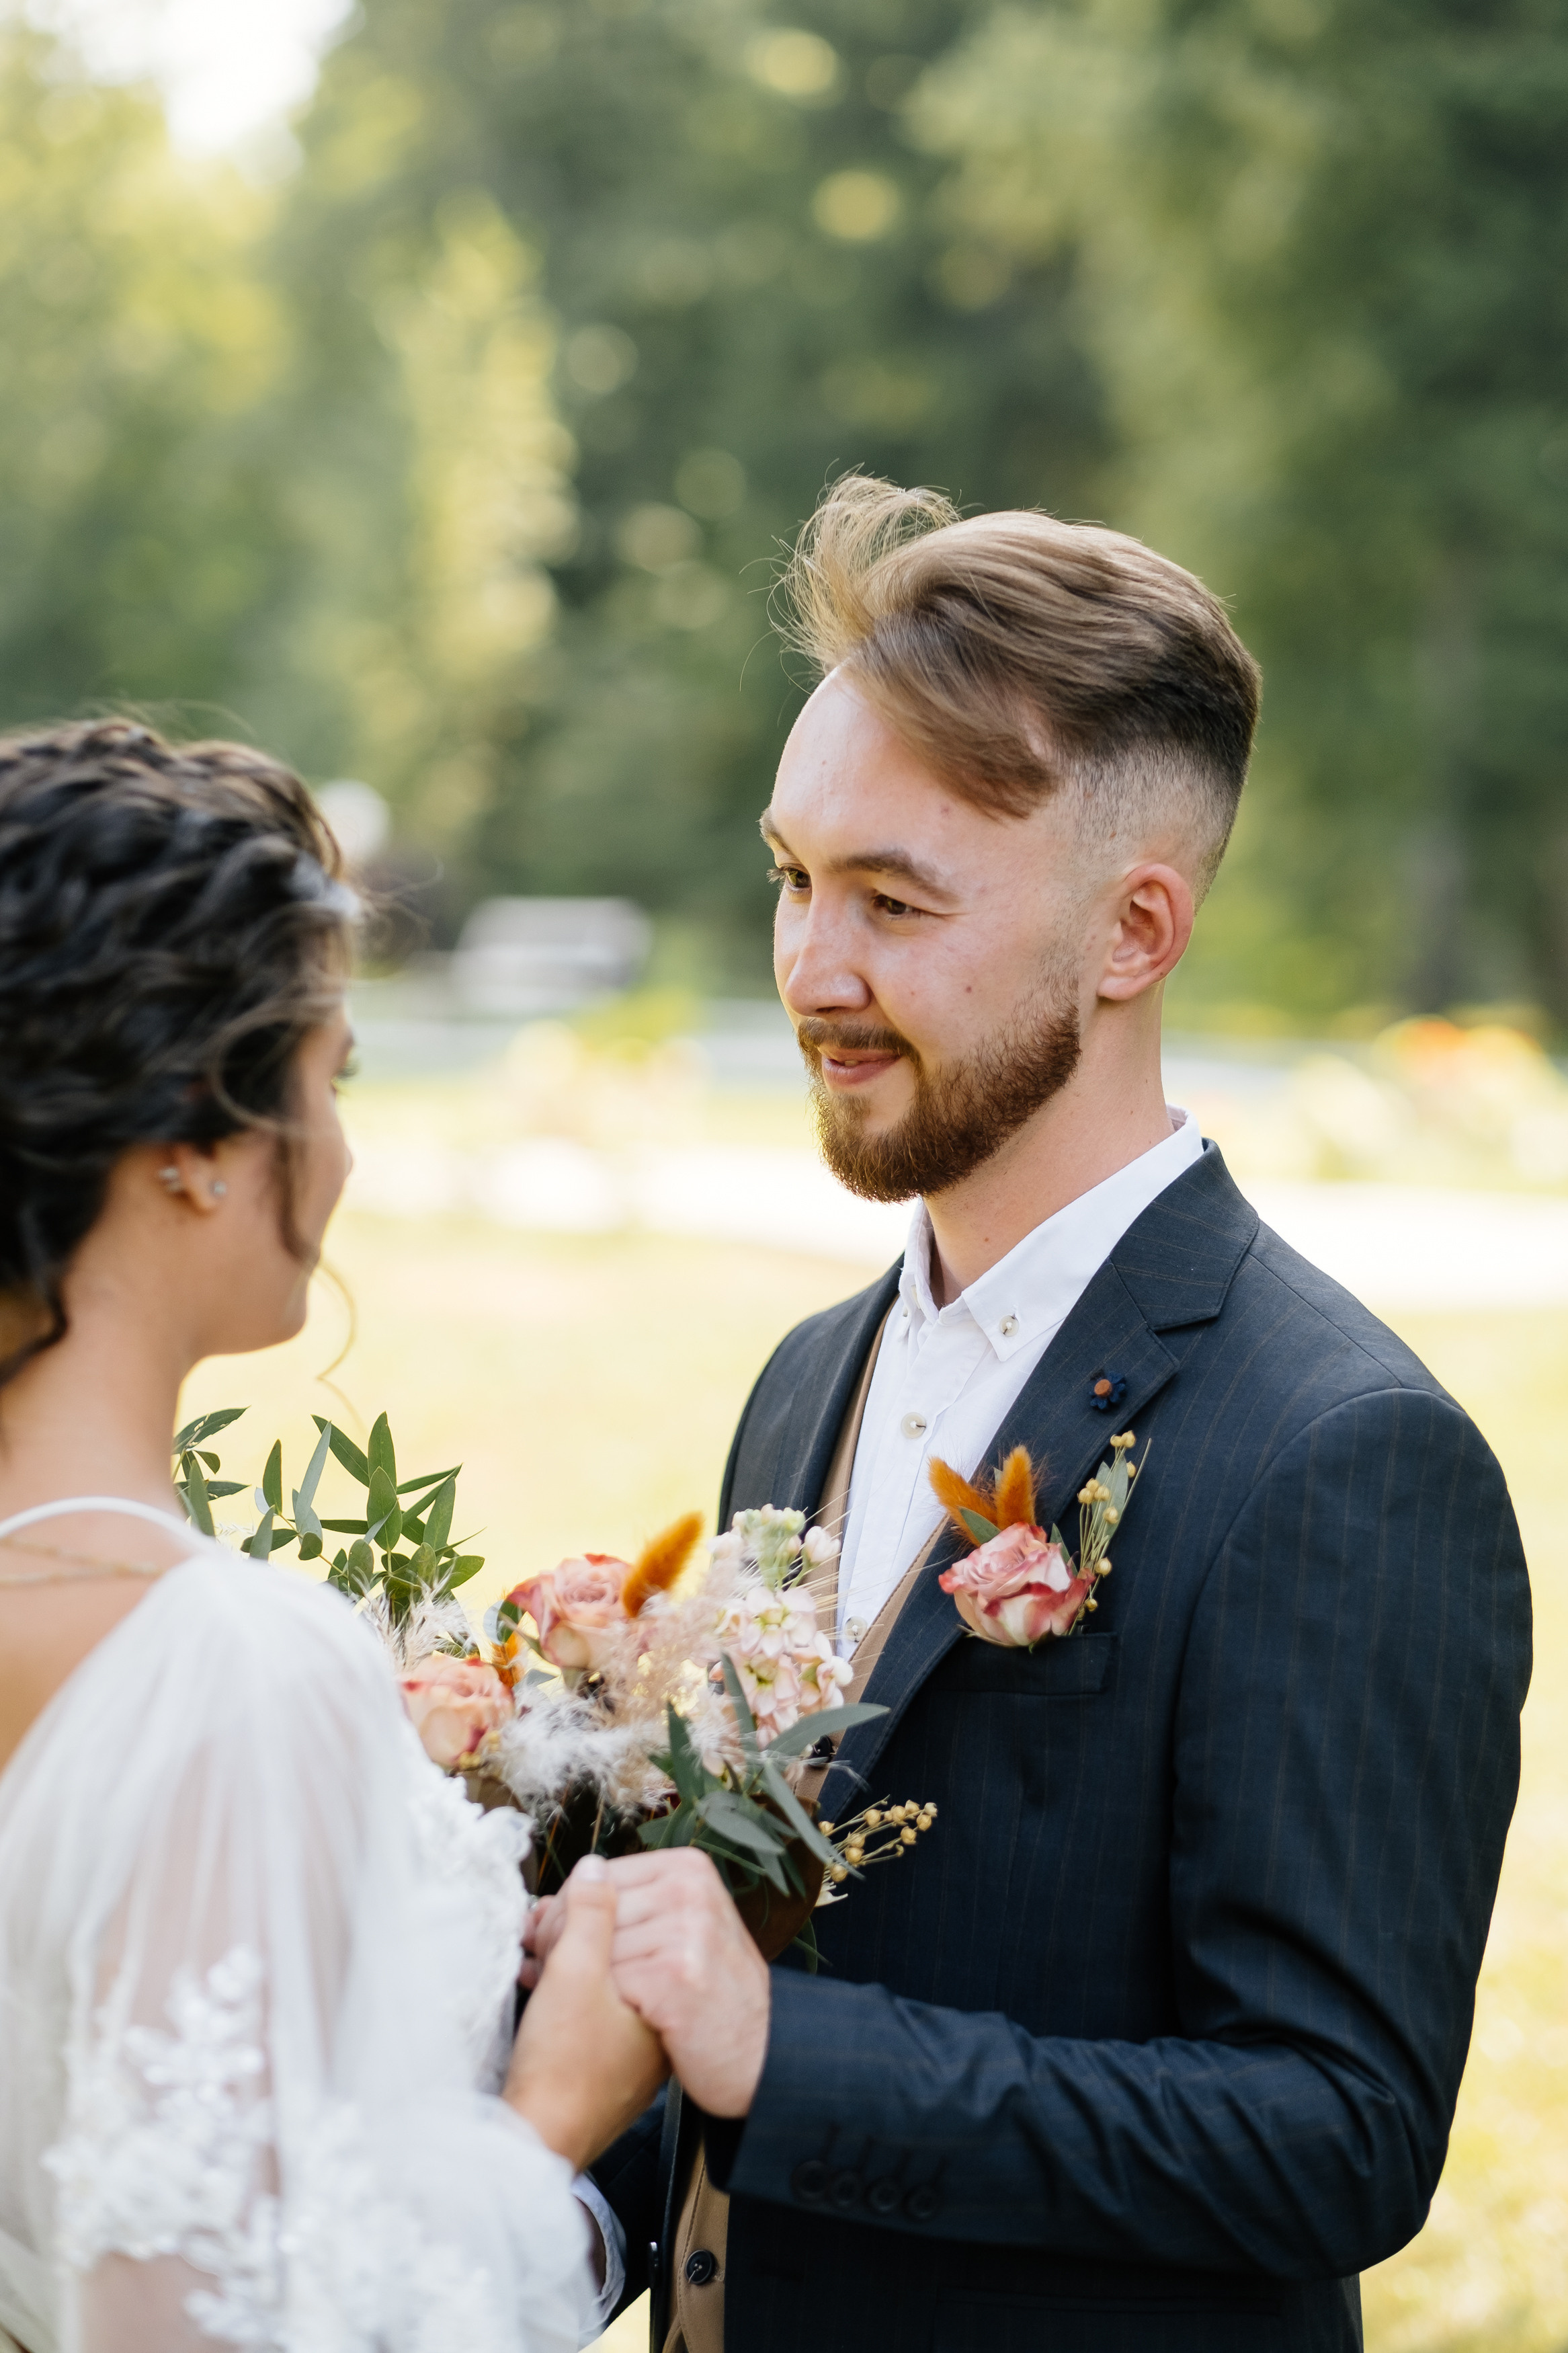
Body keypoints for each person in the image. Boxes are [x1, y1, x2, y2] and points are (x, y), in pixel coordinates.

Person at [560, 477, 1533, 2352]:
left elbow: (1334, 2132)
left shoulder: (1336, 1452)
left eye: (892, 903)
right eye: (789, 876)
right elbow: (724, 1984)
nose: (809, 971)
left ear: (1130, 931)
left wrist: (790, 2052)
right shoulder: (799, 1381)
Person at [0, 721, 666, 2353]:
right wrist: (552, 2127)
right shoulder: (219, 1664)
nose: (346, 1148)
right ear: (193, 1140)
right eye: (329, 1078)